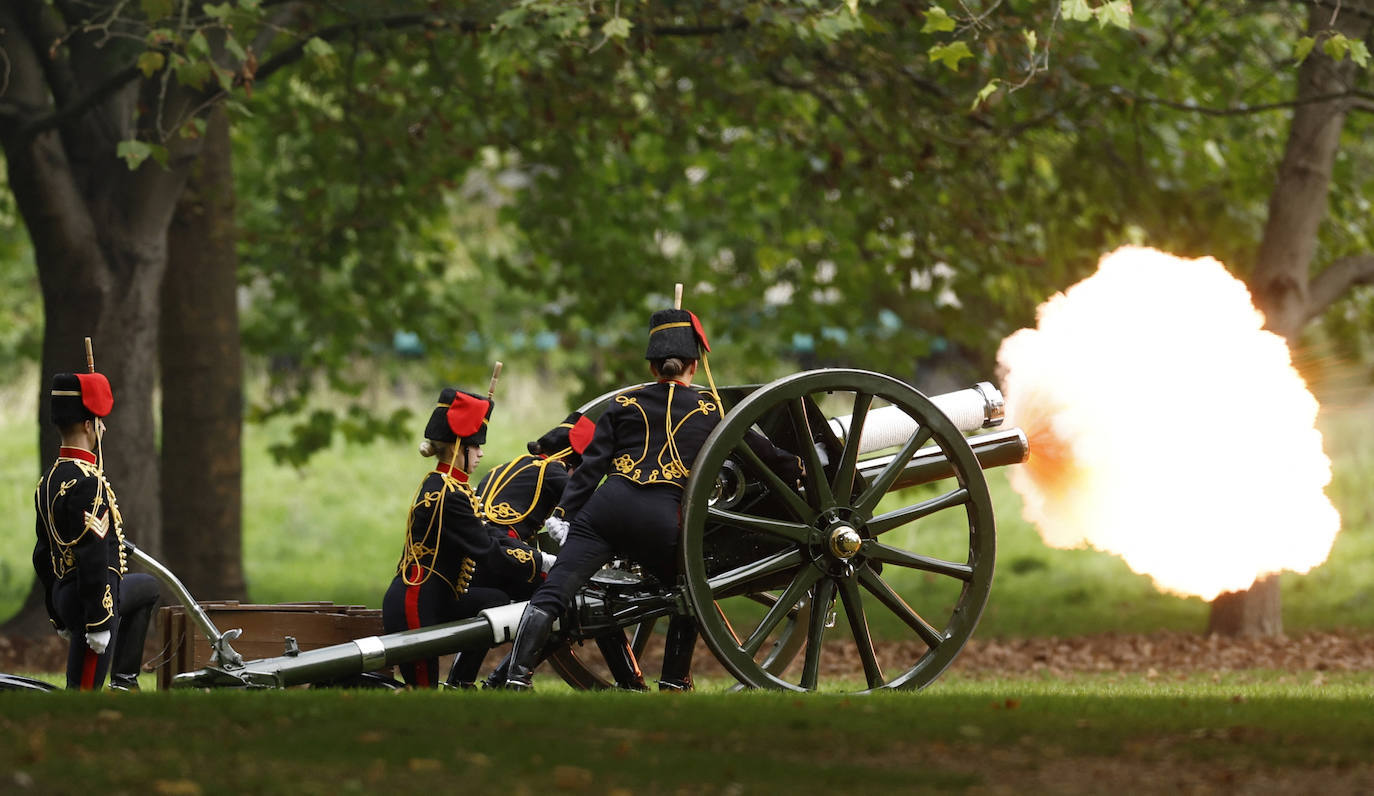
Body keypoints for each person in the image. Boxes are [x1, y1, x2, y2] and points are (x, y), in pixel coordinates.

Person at [502, 307, 801, 691]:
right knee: (692, 589)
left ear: (653, 367)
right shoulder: (710, 408)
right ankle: (675, 681)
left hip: (604, 512)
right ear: (693, 365)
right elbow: (759, 452)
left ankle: (516, 677)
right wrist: (796, 466)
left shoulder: (623, 404)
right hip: (659, 518)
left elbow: (592, 468)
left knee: (554, 591)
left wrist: (564, 514)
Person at [381, 385, 555, 689]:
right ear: (459, 446)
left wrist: (539, 559)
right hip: (416, 604)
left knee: (494, 600)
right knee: (423, 696)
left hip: (437, 598)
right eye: (476, 446)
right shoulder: (449, 494)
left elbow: (487, 533)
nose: (481, 453)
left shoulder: (452, 487)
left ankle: (460, 681)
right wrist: (539, 563)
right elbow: (487, 550)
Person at [469, 412, 648, 690]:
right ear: (568, 459)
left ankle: (469, 681)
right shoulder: (552, 471)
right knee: (581, 602)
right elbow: (594, 511)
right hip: (511, 555)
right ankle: (631, 682)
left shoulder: (500, 468)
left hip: (480, 558)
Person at [33, 371, 161, 691]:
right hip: (94, 602)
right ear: (89, 425)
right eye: (100, 422)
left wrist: (56, 612)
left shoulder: (48, 480)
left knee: (146, 588)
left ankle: (125, 682)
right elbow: (93, 556)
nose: (103, 428)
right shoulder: (89, 483)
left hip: (67, 595)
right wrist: (99, 622)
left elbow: (42, 554)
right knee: (82, 698)